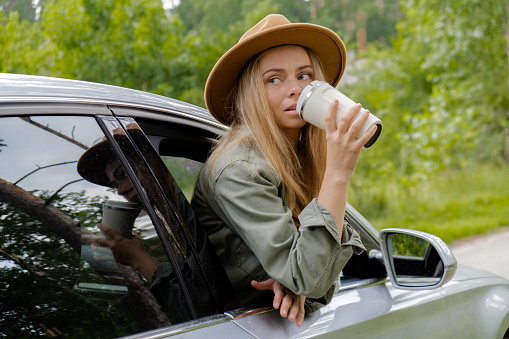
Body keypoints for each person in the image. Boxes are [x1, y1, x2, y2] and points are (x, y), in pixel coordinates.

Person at [191, 14, 376, 326]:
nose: (295, 89)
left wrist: (295, 280)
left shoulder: (294, 160)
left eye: (304, 76)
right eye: (274, 79)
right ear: (251, 93)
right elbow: (312, 277)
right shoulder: (241, 169)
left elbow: (313, 281)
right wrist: (338, 172)